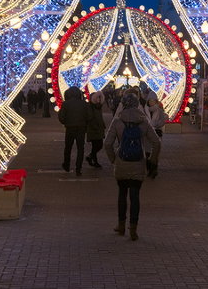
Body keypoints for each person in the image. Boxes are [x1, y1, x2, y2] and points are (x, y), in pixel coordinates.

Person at [104, 93, 161, 241]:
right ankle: (133, 229)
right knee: (135, 197)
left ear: (123, 104)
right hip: (138, 162)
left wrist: (113, 159)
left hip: (122, 162)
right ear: (137, 105)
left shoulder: (117, 121)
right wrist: (152, 160)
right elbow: (156, 142)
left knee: (122, 194)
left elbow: (107, 143)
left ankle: (121, 225)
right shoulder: (143, 122)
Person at [58, 86, 93, 176]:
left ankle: (67, 165)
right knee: (80, 148)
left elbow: (61, 117)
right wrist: (85, 122)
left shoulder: (66, 104)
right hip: (81, 128)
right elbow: (90, 116)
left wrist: (66, 122)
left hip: (70, 128)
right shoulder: (84, 104)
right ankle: (78, 168)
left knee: (68, 147)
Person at [86, 91, 106, 168]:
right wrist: (94, 125)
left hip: (99, 128)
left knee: (99, 145)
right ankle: (94, 160)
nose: (99, 99)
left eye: (100, 98)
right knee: (96, 145)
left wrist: (102, 124)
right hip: (93, 128)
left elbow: (100, 117)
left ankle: (91, 157)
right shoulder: (90, 106)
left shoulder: (99, 106)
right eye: (97, 98)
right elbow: (89, 117)